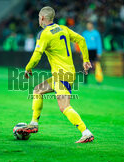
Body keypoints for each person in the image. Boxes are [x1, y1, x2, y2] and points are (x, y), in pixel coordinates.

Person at [17, 6, 94, 143]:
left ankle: (86, 132)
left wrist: (28, 68)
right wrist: (86, 60)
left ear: (41, 18)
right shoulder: (63, 28)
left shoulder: (44, 34)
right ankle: (34, 123)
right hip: (66, 73)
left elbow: (36, 56)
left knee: (64, 107)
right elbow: (81, 40)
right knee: (38, 90)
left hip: (62, 75)